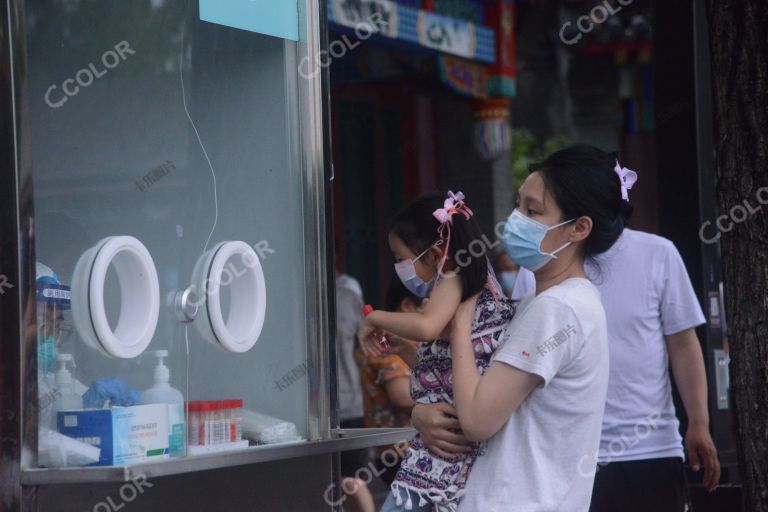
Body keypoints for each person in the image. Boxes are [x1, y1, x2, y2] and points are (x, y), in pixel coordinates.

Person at [417, 144, 631, 511]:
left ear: (579, 228)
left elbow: (477, 420)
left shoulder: (556, 309)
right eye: (519, 205)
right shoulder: (550, 301)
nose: (516, 218)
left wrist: (462, 320)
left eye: (533, 211)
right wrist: (420, 414)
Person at [359, 191, 516, 512]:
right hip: (457, 437)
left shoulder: (454, 275)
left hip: (446, 444)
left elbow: (427, 326)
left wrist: (374, 317)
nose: (398, 268)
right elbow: (447, 367)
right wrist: (405, 351)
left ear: (433, 254)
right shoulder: (478, 283)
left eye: (399, 257)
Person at [586, 228, 720, 508]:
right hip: (571, 453)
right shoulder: (541, 260)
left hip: (651, 446)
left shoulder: (659, 253)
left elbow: (683, 344)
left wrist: (699, 422)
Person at [355, 276, 420, 486]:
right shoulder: (387, 346)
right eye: (428, 305)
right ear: (408, 305)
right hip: (400, 452)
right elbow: (402, 396)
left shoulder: (403, 344)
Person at [336, 279, 375, 512]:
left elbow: (370, 348)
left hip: (349, 403)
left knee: (351, 480)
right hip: (314, 410)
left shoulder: (347, 297)